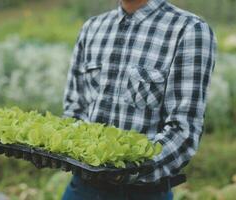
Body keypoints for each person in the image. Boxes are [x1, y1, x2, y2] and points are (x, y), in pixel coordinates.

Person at [62, 0, 217, 199]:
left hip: (142, 192)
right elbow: (74, 109)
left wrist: (128, 169)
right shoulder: (92, 28)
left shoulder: (188, 30)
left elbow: (183, 132)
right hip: (82, 188)